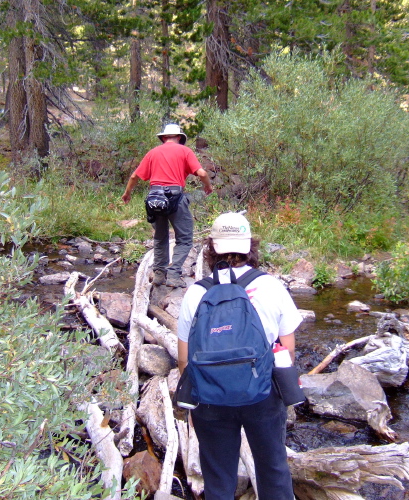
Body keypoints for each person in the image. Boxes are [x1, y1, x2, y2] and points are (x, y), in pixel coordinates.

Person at [177, 212, 302, 500]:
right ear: (250, 247)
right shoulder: (272, 286)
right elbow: (288, 349)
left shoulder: (196, 293)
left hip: (209, 397)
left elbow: (184, 360)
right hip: (264, 393)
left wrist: (194, 403)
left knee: (218, 478)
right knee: (273, 468)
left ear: (211, 248)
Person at [121, 123, 213, 287]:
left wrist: (127, 193)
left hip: (154, 199)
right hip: (176, 198)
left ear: (163, 137)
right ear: (179, 137)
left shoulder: (152, 153)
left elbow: (135, 176)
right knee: (184, 239)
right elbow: (202, 173)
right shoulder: (185, 151)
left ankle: (159, 274)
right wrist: (208, 186)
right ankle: (174, 275)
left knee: (160, 238)